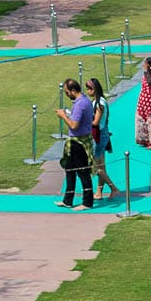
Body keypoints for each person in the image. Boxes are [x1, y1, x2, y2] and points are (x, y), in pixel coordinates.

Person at [55, 78, 94, 210]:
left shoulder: (79, 104)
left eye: (67, 92)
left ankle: (87, 202)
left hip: (79, 142)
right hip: (76, 141)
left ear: (73, 90)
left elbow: (74, 125)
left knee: (83, 172)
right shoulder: (84, 101)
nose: (67, 95)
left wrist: (63, 116)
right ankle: (68, 200)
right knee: (70, 170)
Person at [86, 78, 119, 201]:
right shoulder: (98, 101)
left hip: (99, 135)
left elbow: (95, 122)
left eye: (89, 88)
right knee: (101, 166)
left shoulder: (100, 103)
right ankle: (99, 191)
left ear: (95, 89)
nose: (88, 91)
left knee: (96, 166)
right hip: (101, 134)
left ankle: (113, 188)